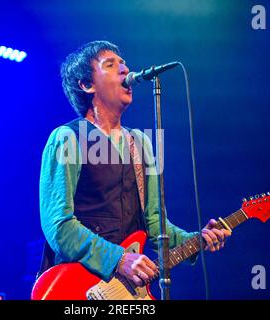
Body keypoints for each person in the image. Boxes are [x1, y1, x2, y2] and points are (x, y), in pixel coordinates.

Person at [38, 40, 231, 288]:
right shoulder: (66, 138)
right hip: (77, 288)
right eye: (111, 64)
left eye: (124, 64)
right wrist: (119, 259)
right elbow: (59, 226)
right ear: (87, 84)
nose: (125, 70)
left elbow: (154, 224)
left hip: (126, 291)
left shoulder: (140, 143)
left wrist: (196, 239)